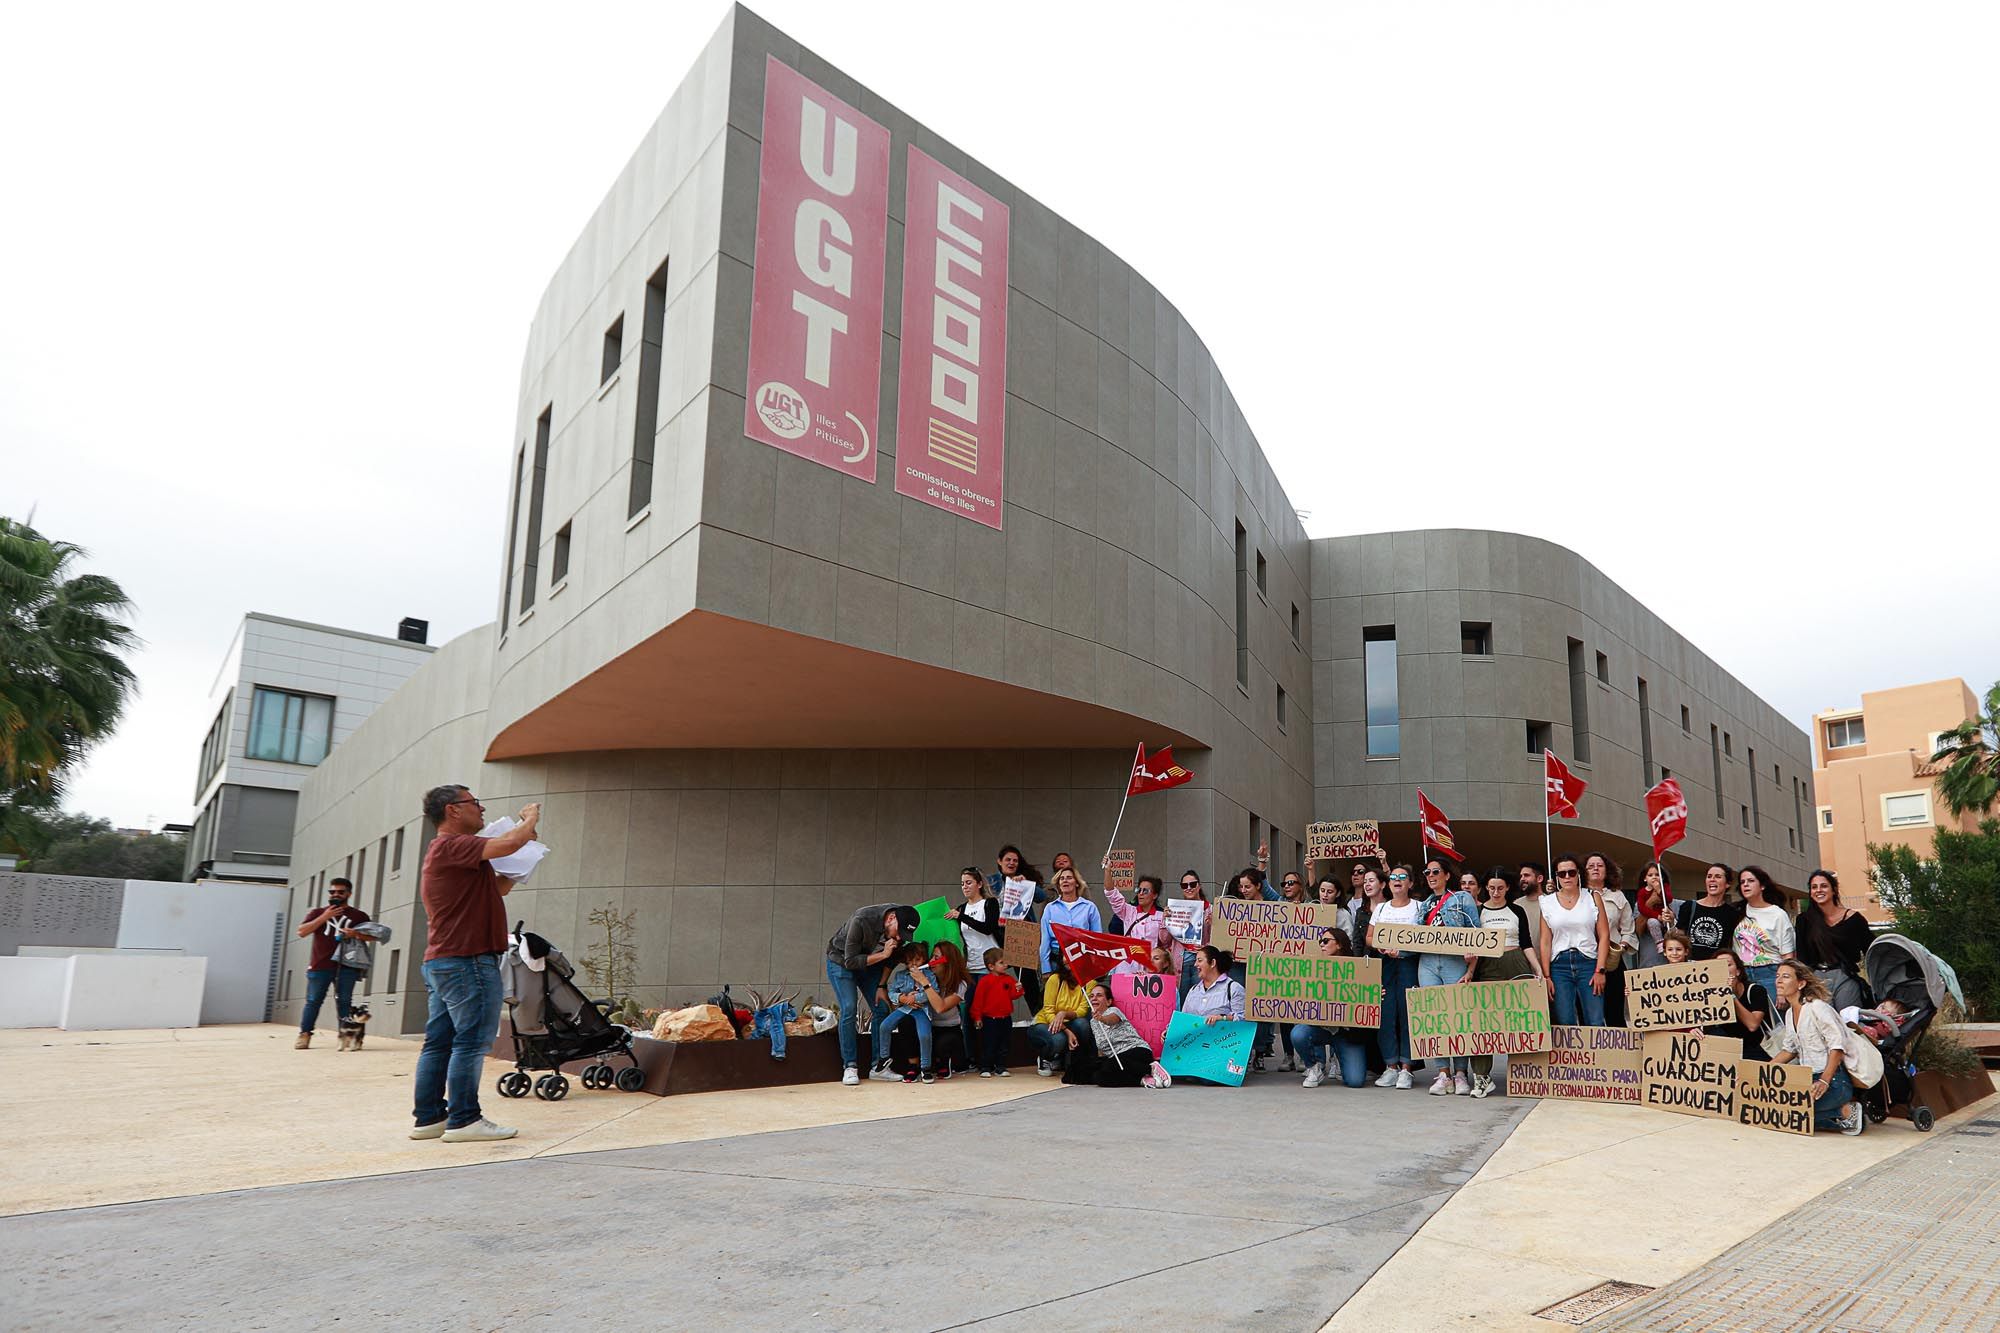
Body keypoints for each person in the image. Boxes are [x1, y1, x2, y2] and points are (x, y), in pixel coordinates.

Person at [410, 785, 540, 1143]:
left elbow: (496, 888)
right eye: (474, 803)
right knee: (470, 1042)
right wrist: (529, 819)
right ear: (453, 810)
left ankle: (430, 1118)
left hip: (446, 961)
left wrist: (517, 866)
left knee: (439, 1042)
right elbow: (509, 843)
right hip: (468, 961)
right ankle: (465, 1119)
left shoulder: (454, 855)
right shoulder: (452, 845)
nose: (481, 809)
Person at [825, 901, 920, 1087]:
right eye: (899, 931)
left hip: (870, 965)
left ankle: (879, 1066)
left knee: (882, 1008)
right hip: (841, 962)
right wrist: (883, 954)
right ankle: (850, 1066)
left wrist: (882, 985)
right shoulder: (862, 919)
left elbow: (892, 960)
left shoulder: (901, 918)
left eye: (904, 935)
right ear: (891, 919)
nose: (900, 937)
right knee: (849, 1008)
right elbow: (851, 961)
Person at [1770, 959, 1865, 1135]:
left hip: (1833, 1080)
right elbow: (1789, 1050)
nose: (1779, 981)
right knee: (1777, 1110)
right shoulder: (1790, 1013)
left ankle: (1846, 1112)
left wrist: (1824, 1080)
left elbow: (1837, 1046)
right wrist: (1760, 1071)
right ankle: (1840, 1116)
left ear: (1801, 983)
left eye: (1785, 976)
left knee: (1790, 1113)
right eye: (1777, 976)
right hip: (1808, 1079)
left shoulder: (1817, 1008)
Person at [1471, 866, 1542, 1098]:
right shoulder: (1478, 911)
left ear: (1507, 888)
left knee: (1520, 1018)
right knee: (1483, 1020)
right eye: (1491, 888)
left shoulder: (1517, 910)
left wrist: (1538, 970)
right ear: (1486, 888)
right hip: (1487, 965)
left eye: (1500, 888)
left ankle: (1522, 1076)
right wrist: (1470, 972)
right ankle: (1481, 1077)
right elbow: (1472, 946)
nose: (1495, 892)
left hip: (1516, 961)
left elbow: (1526, 942)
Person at [1417, 859, 1483, 1096]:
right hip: (1428, 963)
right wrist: (1393, 948)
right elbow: (1413, 938)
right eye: (1427, 872)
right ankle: (1443, 1072)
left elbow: (1476, 933)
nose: (1431, 875)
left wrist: (1470, 969)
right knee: (1434, 1017)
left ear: (1446, 875)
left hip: (1455, 962)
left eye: (1436, 872)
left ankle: (1461, 1073)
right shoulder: (1423, 905)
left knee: (1458, 1017)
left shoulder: (1461, 898)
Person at [294, 877, 371, 1050]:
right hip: (320, 965)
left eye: (340, 892)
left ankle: (344, 1036)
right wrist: (325, 916)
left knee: (344, 1002)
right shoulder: (317, 913)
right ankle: (304, 1035)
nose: (335, 894)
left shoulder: (358, 916)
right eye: (332, 891)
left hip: (347, 966)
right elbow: (301, 932)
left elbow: (373, 936)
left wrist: (355, 934)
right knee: (313, 1001)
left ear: (349, 894)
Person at [1292, 928, 1373, 1089]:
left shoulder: (1359, 969)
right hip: (1319, 1028)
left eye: (1326, 941)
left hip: (1348, 1032)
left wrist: (1375, 994)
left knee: (1355, 1081)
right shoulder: (1311, 967)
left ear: (1340, 945)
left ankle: (1340, 1058)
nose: (1322, 945)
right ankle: (1314, 1067)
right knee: (1298, 1033)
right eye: (1320, 941)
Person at [1369, 864, 1425, 1087]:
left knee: (1408, 1014)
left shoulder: (1420, 907)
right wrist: (1381, 946)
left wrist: (1404, 949)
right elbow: (1369, 937)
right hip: (1386, 965)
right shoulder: (1381, 909)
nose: (1397, 880)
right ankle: (1390, 1066)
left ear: (1410, 883)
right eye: (1393, 877)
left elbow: (1426, 937)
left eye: (1402, 877)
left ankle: (1407, 1068)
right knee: (1386, 1013)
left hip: (1410, 964)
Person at [1539, 853, 1609, 1027]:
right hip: (1559, 965)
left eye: (1571, 872)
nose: (1567, 877)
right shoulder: (1547, 902)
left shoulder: (1593, 897)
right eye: (1562, 874)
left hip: (1588, 962)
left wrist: (1600, 970)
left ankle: (1598, 1055)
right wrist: (1546, 975)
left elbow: (1604, 934)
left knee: (1595, 1020)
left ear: (1578, 873)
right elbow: (1545, 941)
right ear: (1556, 877)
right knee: (1565, 1022)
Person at [1796, 869, 1871, 1010]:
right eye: (1814, 887)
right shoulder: (1804, 920)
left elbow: (1871, 949)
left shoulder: (1854, 919)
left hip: (1845, 976)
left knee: (1848, 1023)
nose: (1819, 890)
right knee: (1822, 1024)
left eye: (1824, 886)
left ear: (1834, 890)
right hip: (1816, 979)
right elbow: (1802, 958)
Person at [988, 844, 1045, 1014]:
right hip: (998, 935)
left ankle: (1038, 1014)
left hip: (1021, 935)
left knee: (1029, 980)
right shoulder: (992, 881)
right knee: (996, 977)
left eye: (1015, 860)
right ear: (999, 861)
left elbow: (1041, 897)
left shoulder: (1023, 880)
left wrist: (1026, 883)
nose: (1012, 863)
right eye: (1008, 860)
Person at [1068, 981, 1156, 1087]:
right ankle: (1142, 1080)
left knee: (1109, 1066)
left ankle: (1151, 1069)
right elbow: (1102, 1049)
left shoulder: (1113, 1011)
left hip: (1137, 1051)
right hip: (1115, 1058)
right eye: (1091, 996)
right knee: (1097, 1075)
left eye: (1099, 995)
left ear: (1109, 1001)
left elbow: (1111, 1020)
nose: (1094, 998)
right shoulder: (1092, 1022)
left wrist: (1102, 1018)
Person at [874, 942, 938, 1083]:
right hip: (904, 1008)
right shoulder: (901, 975)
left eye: (917, 960)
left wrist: (914, 997)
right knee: (884, 1026)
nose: (913, 965)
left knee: (924, 1035)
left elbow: (934, 992)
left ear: (924, 959)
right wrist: (902, 998)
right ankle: (884, 1059)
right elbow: (891, 992)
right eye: (909, 962)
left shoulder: (929, 975)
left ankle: (925, 1067)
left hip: (921, 1010)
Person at [1586, 853, 1636, 1025]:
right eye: (1591, 865)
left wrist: (1621, 946)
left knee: (1614, 1013)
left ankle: (1619, 1052)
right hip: (1584, 961)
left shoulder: (1618, 896)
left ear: (1607, 870)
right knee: (1589, 1015)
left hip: (1612, 963)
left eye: (1599, 865)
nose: (1595, 869)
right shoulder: (1576, 896)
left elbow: (1629, 929)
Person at [1734, 865, 1796, 999]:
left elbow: (1788, 956)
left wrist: (1782, 988)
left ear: (1762, 886)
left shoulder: (1778, 914)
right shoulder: (1736, 912)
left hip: (1770, 973)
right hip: (1742, 974)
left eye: (1751, 881)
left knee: (1774, 1019)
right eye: (1742, 882)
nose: (1745, 885)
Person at [1027, 956, 1091, 1076]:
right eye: (1064, 956)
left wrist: (1064, 1013)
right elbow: (1048, 1011)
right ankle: (1046, 1058)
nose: (1066, 959)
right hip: (1044, 1022)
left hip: (1070, 1021)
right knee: (1059, 1039)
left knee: (1083, 1024)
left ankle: (1074, 1060)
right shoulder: (1055, 979)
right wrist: (1067, 1031)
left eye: (1071, 955)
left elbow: (1082, 1011)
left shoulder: (1089, 982)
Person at [1039, 866, 1103, 979]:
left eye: (1069, 878)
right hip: (1056, 959)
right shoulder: (1050, 908)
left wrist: (1096, 966)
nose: (1065, 880)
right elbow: (1045, 941)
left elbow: (1097, 940)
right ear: (1058, 884)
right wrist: (1046, 968)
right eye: (1062, 878)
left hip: (1082, 958)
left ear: (1077, 883)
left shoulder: (1090, 907)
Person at [1707, 951, 1772, 1061]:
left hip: (1757, 1050)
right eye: (1718, 965)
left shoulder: (1756, 991)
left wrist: (1731, 996)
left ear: (1738, 971)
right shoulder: (1709, 996)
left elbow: (1752, 1025)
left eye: (1728, 965)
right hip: (1728, 1052)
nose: (1723, 969)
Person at [968, 948, 1022, 1077]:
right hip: (989, 1018)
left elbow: (1013, 996)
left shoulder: (1009, 979)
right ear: (991, 966)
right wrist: (977, 1017)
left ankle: (1000, 1066)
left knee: (1004, 1043)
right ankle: (986, 1066)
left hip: (1005, 1018)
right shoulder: (985, 981)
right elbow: (978, 1001)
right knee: (989, 1043)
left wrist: (1018, 989)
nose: (1006, 965)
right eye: (1002, 963)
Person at [920, 941, 971, 1078]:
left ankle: (945, 1063)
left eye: (936, 958)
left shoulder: (960, 983)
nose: (931, 961)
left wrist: (925, 983)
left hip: (949, 1029)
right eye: (932, 957)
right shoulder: (930, 977)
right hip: (929, 1027)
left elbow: (940, 1007)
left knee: (943, 1043)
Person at [1673, 863, 1743, 961]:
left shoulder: (1732, 914)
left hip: (1717, 969)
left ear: (1728, 883)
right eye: (1709, 876)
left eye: (1718, 876)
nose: (1712, 879)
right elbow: (1678, 939)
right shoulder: (1688, 907)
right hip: (1690, 968)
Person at [1105, 874, 1171, 975]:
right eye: (1138, 890)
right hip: (1127, 966)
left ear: (1155, 895)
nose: (1140, 893)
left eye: (1145, 891)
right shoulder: (1128, 911)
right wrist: (1107, 870)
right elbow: (1112, 894)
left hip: (1150, 967)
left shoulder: (1161, 915)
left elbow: (1165, 942)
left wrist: (1166, 920)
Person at [947, 867, 1001, 976]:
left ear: (979, 884)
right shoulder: (961, 908)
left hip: (990, 965)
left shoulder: (990, 903)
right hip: (970, 966)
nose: (965, 887)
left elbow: (988, 929)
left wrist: (962, 917)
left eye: (968, 883)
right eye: (962, 884)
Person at [1181, 945, 1245, 1023]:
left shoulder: (1233, 988)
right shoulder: (1193, 990)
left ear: (1213, 963)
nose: (1195, 964)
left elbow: (1243, 1019)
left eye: (1199, 960)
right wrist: (1169, 1031)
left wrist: (1223, 1018)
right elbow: (1183, 1019)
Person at [1171, 869, 1209, 1000]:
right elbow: (1164, 940)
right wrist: (1165, 921)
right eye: (1184, 885)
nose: (1188, 888)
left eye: (1192, 884)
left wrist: (1212, 924)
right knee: (1181, 1002)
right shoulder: (1175, 910)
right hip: (1181, 964)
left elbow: (1218, 940)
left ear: (1199, 886)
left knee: (1200, 1001)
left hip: (1201, 963)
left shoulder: (1210, 910)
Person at [1634, 861, 1672, 968]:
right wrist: (1651, 903)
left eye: (1657, 875)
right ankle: (1659, 943)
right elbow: (1638, 927)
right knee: (1652, 922)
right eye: (1650, 875)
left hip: (1672, 961)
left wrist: (1659, 890)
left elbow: (1669, 899)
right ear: (1645, 878)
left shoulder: (1669, 894)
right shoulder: (1641, 894)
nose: (1654, 878)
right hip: (1649, 961)